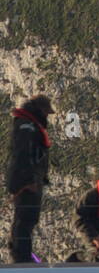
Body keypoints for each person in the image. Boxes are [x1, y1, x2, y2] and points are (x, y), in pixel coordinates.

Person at [6, 93, 53, 264]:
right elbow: (24, 155)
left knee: (24, 218)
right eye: (46, 112)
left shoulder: (27, 124)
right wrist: (30, 181)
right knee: (26, 218)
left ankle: (20, 254)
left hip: (27, 179)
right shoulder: (28, 127)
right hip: (27, 181)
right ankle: (22, 257)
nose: (47, 116)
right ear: (40, 110)